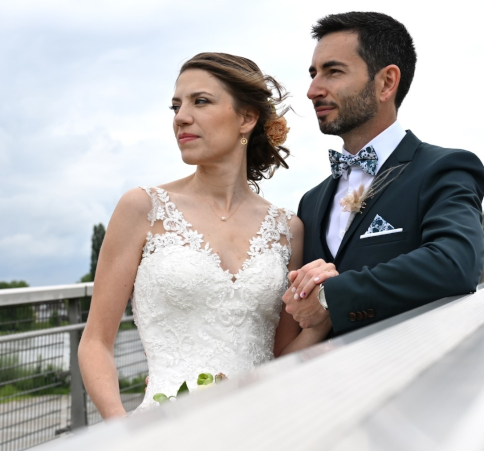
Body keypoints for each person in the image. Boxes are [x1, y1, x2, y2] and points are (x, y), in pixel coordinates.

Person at [78, 52, 321, 419]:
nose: (181, 117)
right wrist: (121, 431)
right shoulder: (142, 208)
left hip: (263, 427)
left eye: (200, 101)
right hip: (161, 434)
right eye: (176, 106)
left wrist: (325, 315)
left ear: (247, 117)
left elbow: (281, 356)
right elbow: (95, 341)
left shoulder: (288, 229)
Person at [283, 11, 484, 337]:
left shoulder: (443, 169)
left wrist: (330, 297)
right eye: (313, 74)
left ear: (386, 82)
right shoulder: (311, 201)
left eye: (332, 71)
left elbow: (455, 264)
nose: (313, 90)